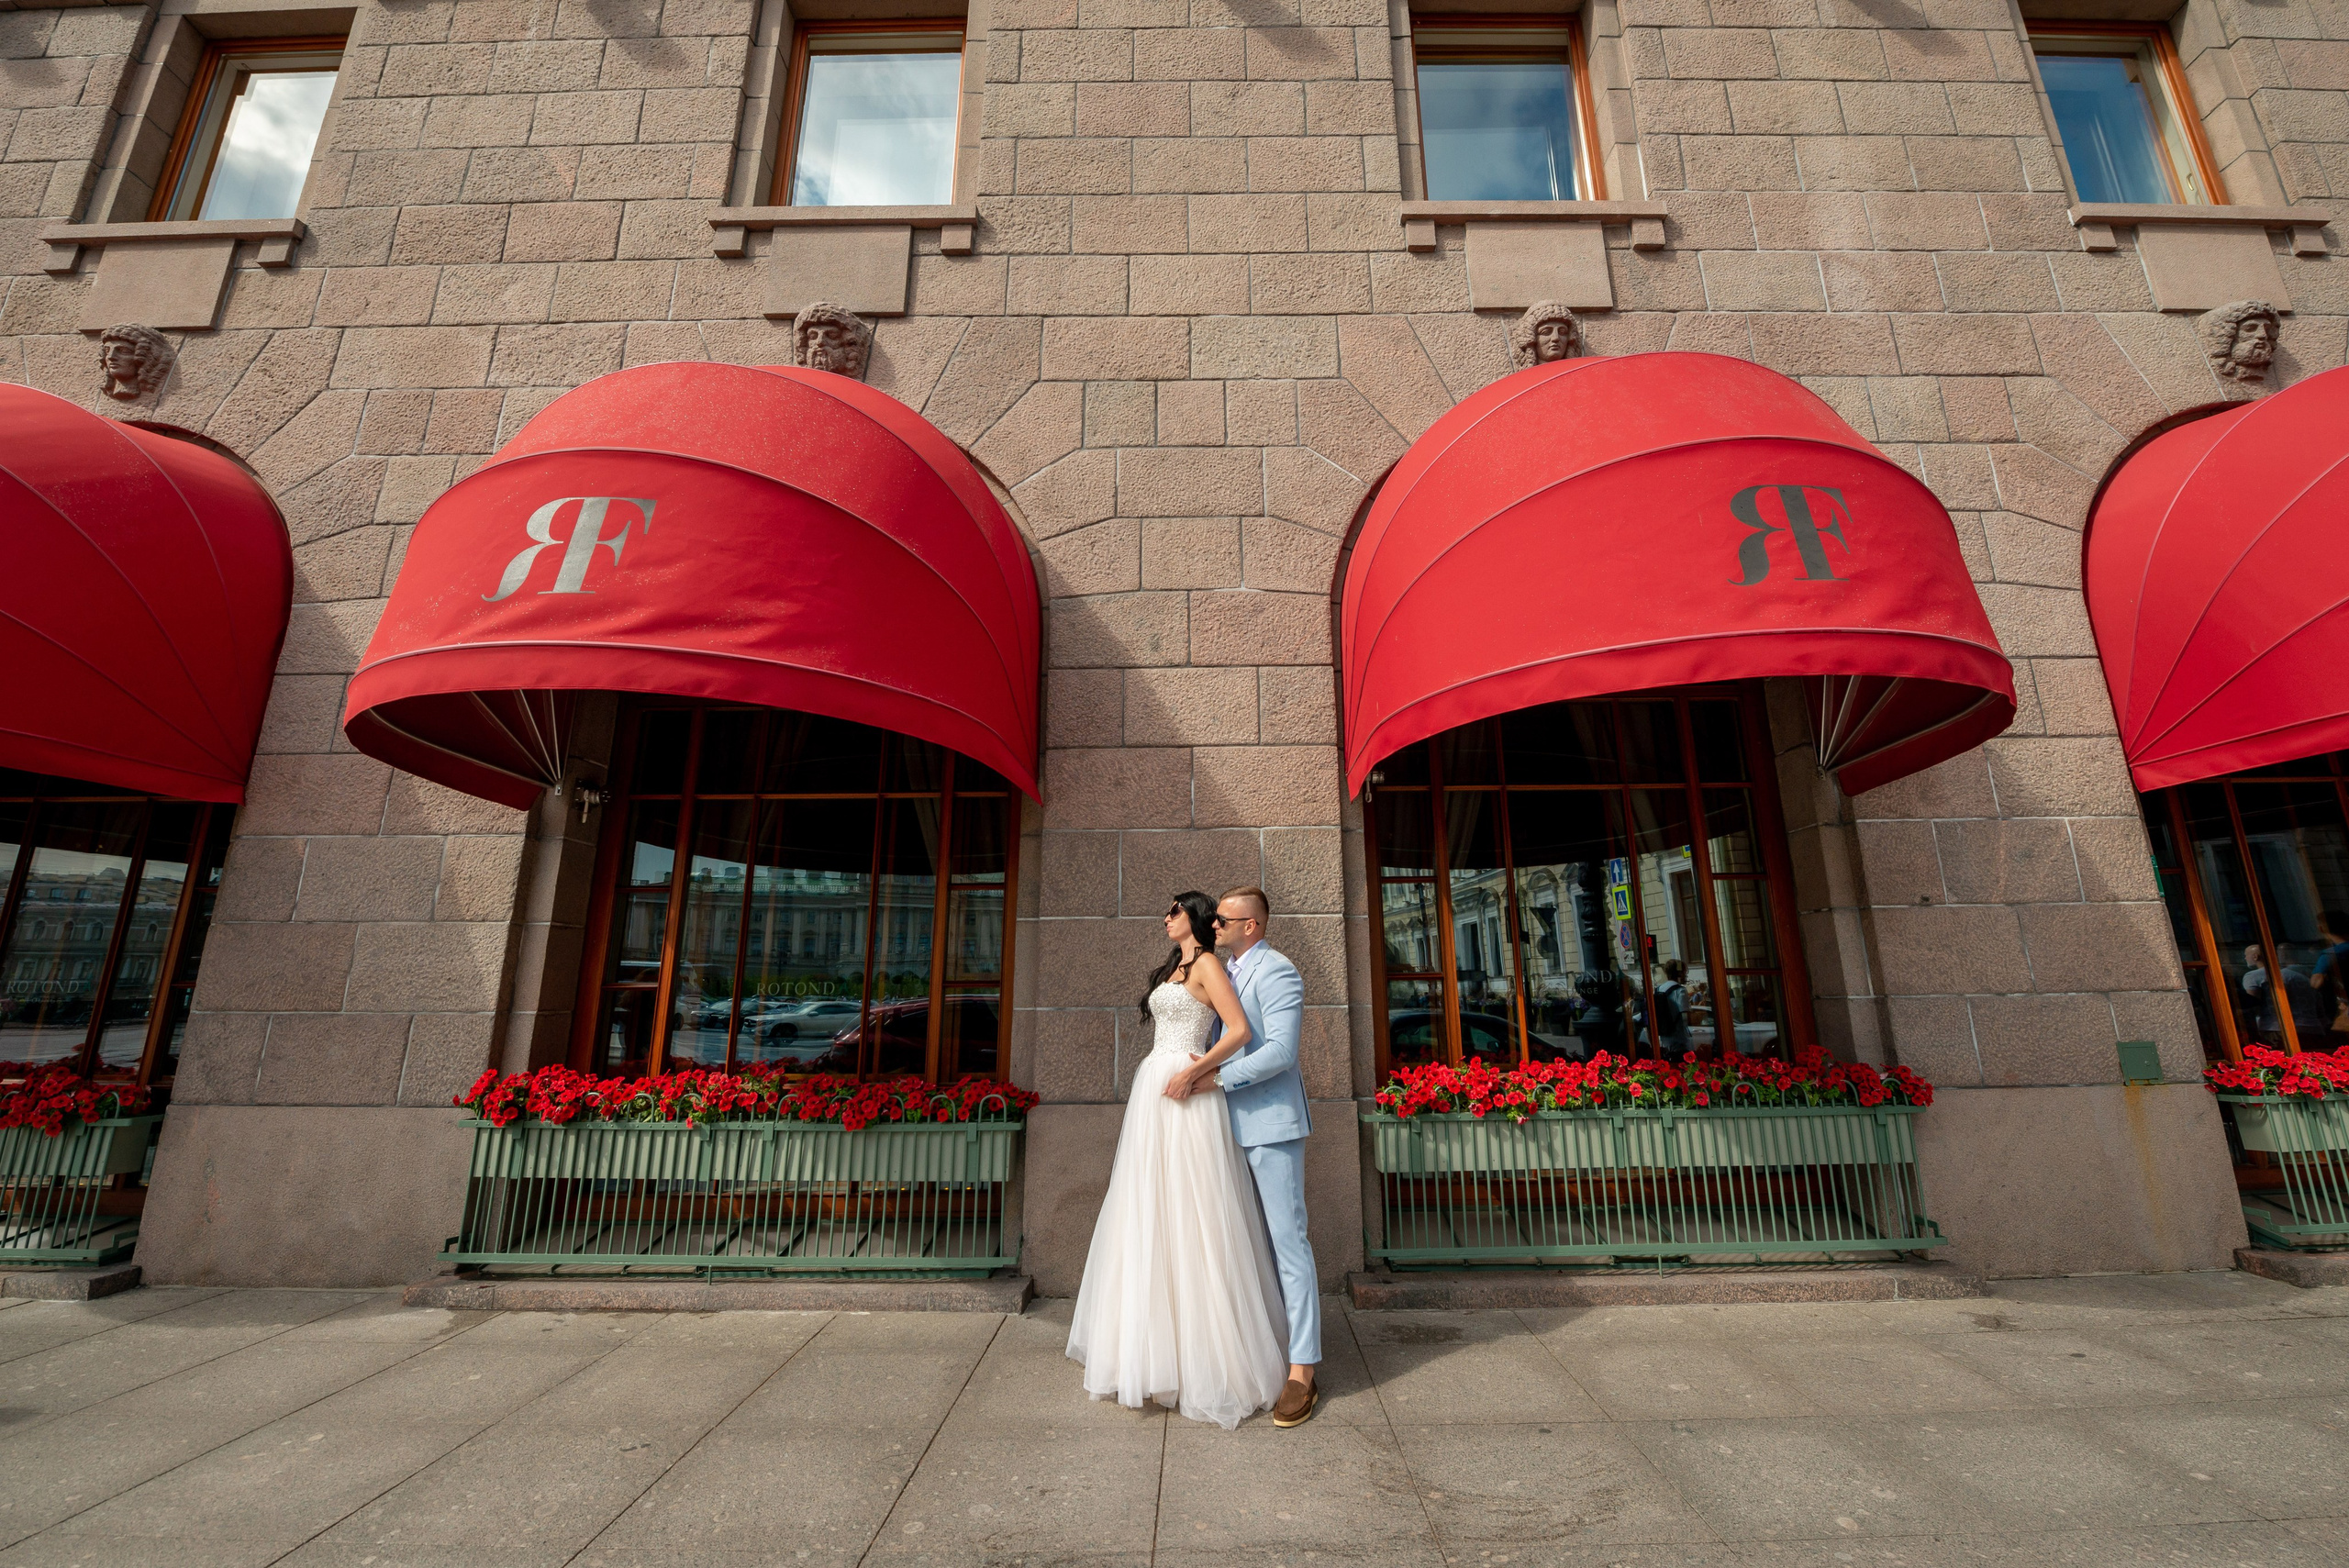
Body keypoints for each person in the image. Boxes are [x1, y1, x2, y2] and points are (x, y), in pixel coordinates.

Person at [1065, 892, 1288, 1429]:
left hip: (1188, 1090)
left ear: (1196, 916)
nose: (1165, 918)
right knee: (1147, 1206)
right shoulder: (1175, 968)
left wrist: (1196, 1073)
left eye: (1175, 911)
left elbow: (1240, 1032)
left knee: (1197, 1209)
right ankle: (1150, 1351)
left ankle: (1207, 1358)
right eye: (1166, 912)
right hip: (1154, 1091)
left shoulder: (1209, 963)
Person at [1171, 886, 1320, 1428]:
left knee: (1288, 1243)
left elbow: (1282, 1051)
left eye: (1225, 920)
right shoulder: (1223, 972)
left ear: (1251, 926)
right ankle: (1255, 1353)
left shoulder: (1277, 971)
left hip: (1269, 1126)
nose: (1215, 925)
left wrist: (1215, 1079)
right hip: (1215, 1130)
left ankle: (1303, 1370)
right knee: (1238, 1244)